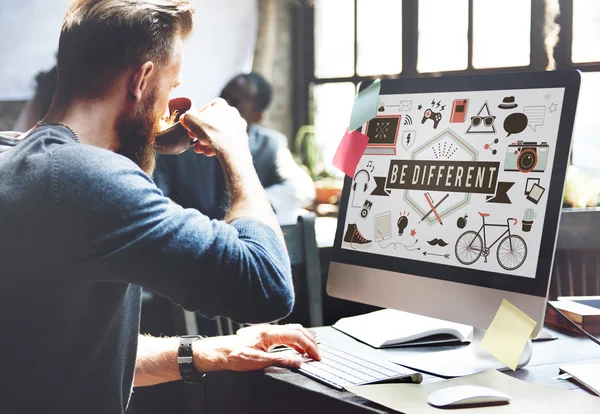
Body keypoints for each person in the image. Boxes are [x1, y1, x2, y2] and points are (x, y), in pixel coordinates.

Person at [0, 1, 319, 413]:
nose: (168, 105)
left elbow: (65, 354)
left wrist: (215, 351)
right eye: (171, 86)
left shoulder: (16, 156)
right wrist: (237, 151)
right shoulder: (86, 177)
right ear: (142, 79)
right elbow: (268, 285)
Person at [154, 72, 316, 223]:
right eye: (223, 95)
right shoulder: (182, 142)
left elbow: (302, 188)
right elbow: (157, 196)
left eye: (236, 101)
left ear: (257, 116)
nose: (224, 104)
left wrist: (250, 206)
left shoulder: (270, 145)